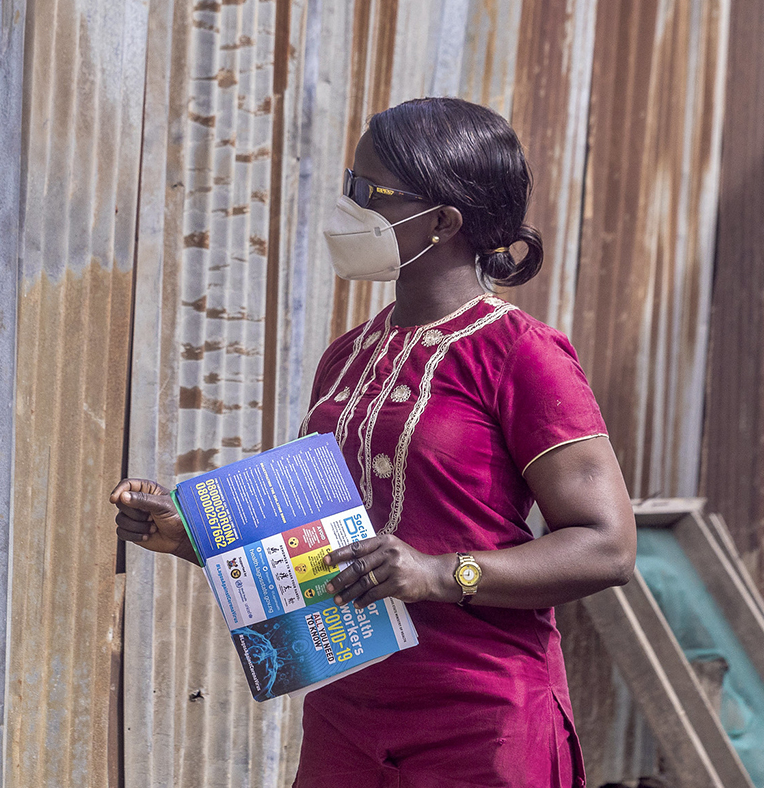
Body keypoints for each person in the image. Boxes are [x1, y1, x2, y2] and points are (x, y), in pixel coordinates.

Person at [112, 97, 636, 788]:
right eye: (349, 185)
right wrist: (193, 538)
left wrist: (442, 573)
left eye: (370, 192)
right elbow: (328, 544)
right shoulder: (348, 356)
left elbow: (608, 545)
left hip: (482, 721)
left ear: (445, 222)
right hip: (348, 714)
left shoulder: (522, 354)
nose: (347, 206)